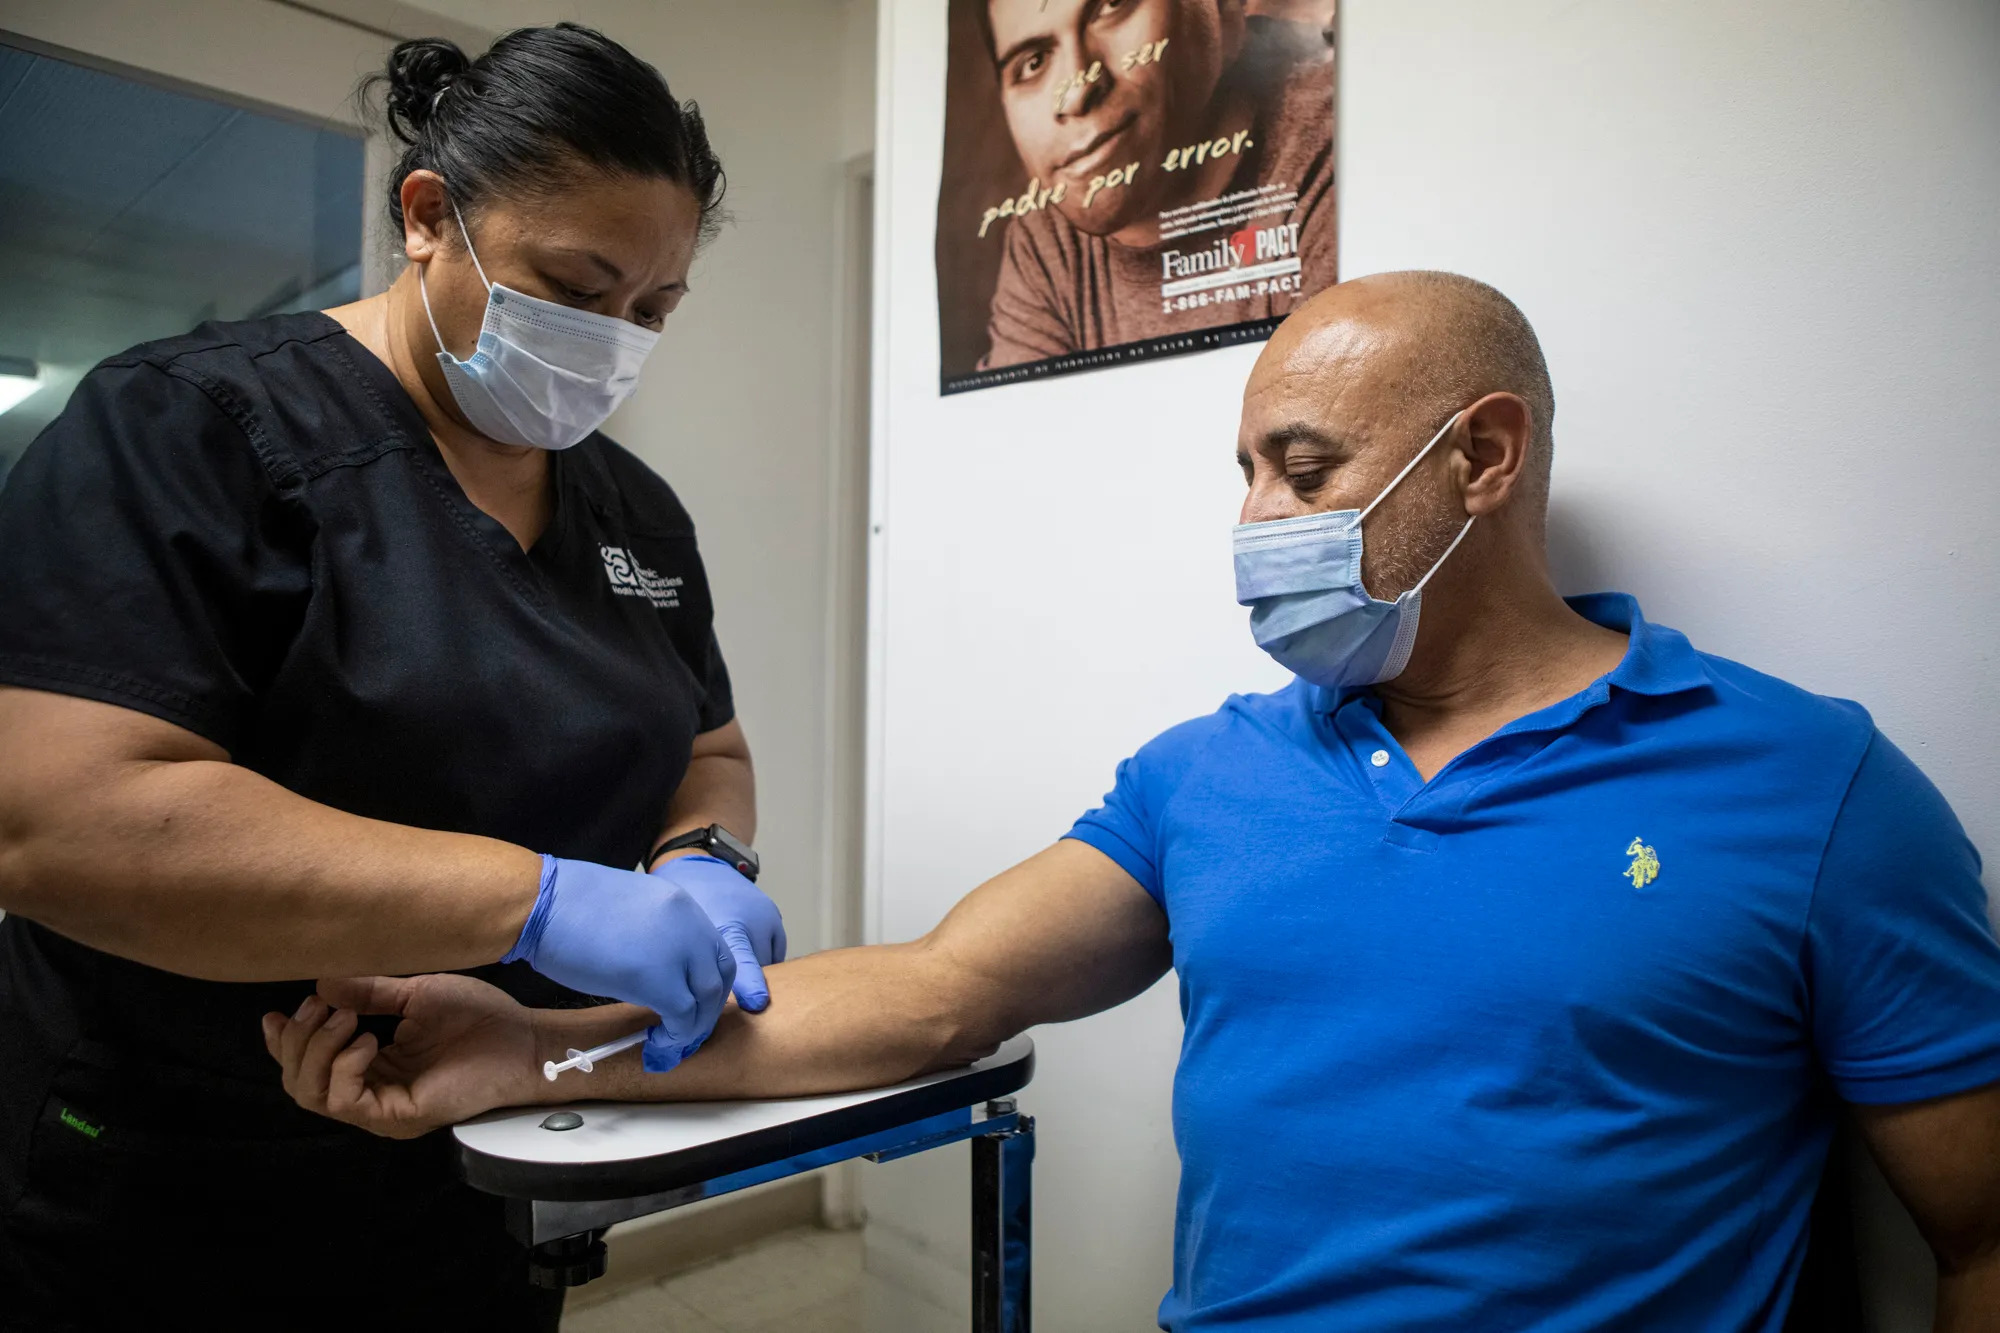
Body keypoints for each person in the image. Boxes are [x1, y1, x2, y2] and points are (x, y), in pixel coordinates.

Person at [269, 272, 2000, 1330]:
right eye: (1246, 471)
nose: (1257, 517)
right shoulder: (1214, 774)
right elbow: (939, 990)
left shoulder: (1806, 783)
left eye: (1303, 470)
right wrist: (535, 1037)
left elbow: (1977, 1230)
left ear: (1483, 457)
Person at [0, 25, 786, 1332]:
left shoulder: (633, 514)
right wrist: (533, 903)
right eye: (576, 287)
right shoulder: (186, 430)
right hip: (175, 1176)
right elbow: (58, 815)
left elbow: (709, 749)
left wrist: (703, 860)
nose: (615, 341)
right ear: (432, 217)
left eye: (652, 310)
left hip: (484, 1145)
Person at [976, 0, 1337, 369]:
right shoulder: (1045, 244)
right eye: (1033, 62)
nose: (1076, 92)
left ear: (1224, 8)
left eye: (1111, 7)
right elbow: (1018, 422)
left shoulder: (1332, 147)